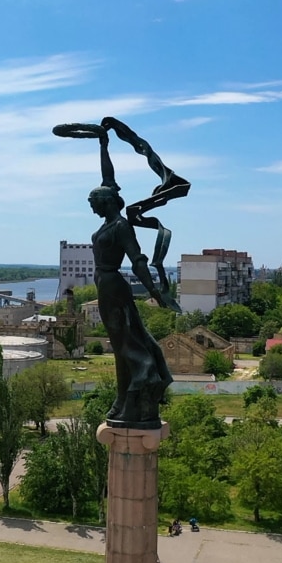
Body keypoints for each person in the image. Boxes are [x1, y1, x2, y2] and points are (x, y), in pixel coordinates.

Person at [89, 179, 176, 427]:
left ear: (106, 202)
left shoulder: (121, 226)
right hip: (105, 286)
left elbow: (137, 260)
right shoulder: (109, 223)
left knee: (126, 343)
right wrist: (104, 144)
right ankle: (122, 399)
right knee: (121, 345)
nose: (92, 208)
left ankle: (143, 380)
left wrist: (152, 290)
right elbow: (108, 177)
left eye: (93, 202)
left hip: (113, 287)